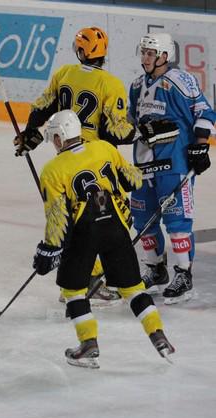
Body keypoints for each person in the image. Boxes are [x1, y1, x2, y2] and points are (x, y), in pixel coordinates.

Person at [33, 110, 175, 369]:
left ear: (60, 136)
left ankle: (88, 344)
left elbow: (57, 218)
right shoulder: (103, 148)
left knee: (74, 291)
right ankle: (158, 335)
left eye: (54, 136)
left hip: (82, 234)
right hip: (115, 226)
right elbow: (132, 180)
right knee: (133, 289)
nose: (53, 142)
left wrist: (49, 249)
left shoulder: (52, 170)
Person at [14, 26, 138, 304]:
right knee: (106, 218)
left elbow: (41, 107)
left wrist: (31, 134)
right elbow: (115, 131)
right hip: (95, 159)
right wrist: (141, 133)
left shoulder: (64, 73)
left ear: (83, 51)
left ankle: (77, 277)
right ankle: (92, 278)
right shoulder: (111, 84)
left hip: (66, 157)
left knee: (75, 218)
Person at [129, 32, 216, 304]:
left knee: (177, 221)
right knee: (143, 220)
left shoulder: (181, 81)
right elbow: (132, 121)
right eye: (143, 52)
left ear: (166, 55)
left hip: (174, 164)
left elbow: (204, 111)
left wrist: (200, 145)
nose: (145, 57)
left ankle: (183, 273)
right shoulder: (135, 85)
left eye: (151, 53)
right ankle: (155, 270)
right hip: (143, 164)